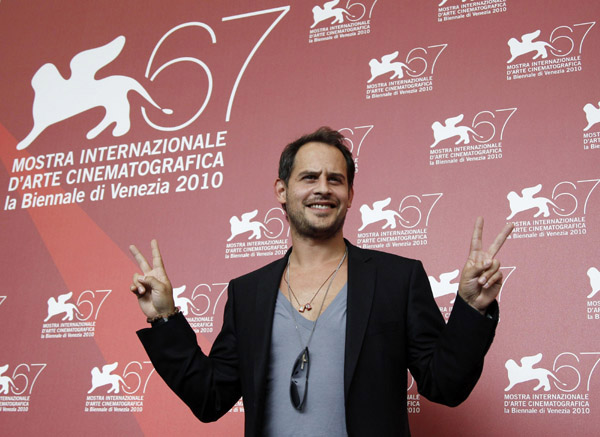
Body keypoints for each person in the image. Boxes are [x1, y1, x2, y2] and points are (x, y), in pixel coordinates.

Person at [130, 127, 514, 436]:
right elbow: (210, 397)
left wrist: (471, 309)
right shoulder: (247, 293)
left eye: (336, 180)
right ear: (282, 190)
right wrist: (165, 320)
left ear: (349, 196)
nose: (323, 189)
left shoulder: (397, 278)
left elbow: (444, 385)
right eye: (309, 177)